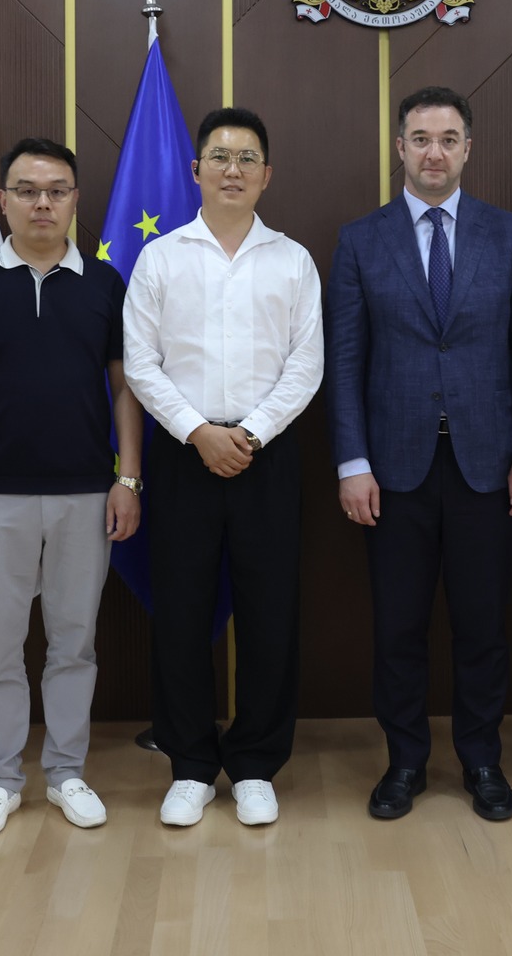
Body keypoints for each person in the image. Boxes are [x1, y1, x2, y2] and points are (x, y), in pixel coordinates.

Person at [325, 86, 512, 822]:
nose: (434, 152)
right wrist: (352, 463)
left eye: (448, 139)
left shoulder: (509, 234)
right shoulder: (360, 239)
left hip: (489, 467)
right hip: (393, 471)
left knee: (484, 626)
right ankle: (405, 762)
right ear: (400, 148)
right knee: (398, 626)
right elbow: (346, 361)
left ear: (467, 149)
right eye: (420, 138)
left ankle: (482, 760)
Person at [0, 138, 141, 840]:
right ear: (3, 200)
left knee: (74, 642)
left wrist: (128, 478)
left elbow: (125, 390)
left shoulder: (104, 283)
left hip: (87, 492)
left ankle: (65, 772)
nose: (42, 202)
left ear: (76, 199)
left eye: (56, 190)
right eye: (27, 190)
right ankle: (0, 781)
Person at [122, 107, 323, 828]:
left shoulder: (292, 260)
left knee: (271, 613)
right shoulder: (161, 258)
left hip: (268, 457)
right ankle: (191, 765)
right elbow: (140, 363)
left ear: (266, 175)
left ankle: (257, 763)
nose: (232, 170)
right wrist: (198, 432)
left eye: (246, 159)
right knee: (180, 612)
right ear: (196, 169)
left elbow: (306, 364)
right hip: (184, 456)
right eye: (219, 156)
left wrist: (252, 434)